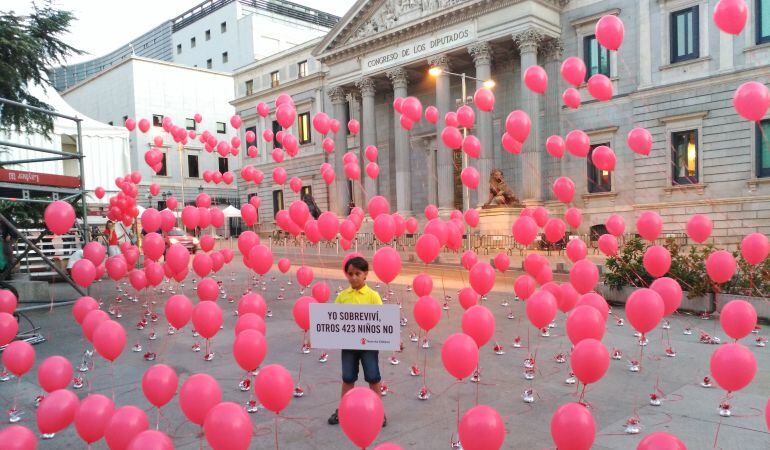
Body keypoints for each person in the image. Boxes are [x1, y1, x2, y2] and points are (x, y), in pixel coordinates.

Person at [328, 256, 386, 427]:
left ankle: (379, 412)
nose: (353, 277)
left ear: (365, 274)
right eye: (350, 274)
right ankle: (343, 410)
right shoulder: (342, 297)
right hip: (348, 346)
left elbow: (383, 322)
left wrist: (395, 340)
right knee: (348, 378)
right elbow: (332, 320)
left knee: (373, 377)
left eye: (357, 274)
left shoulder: (373, 296)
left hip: (369, 346)